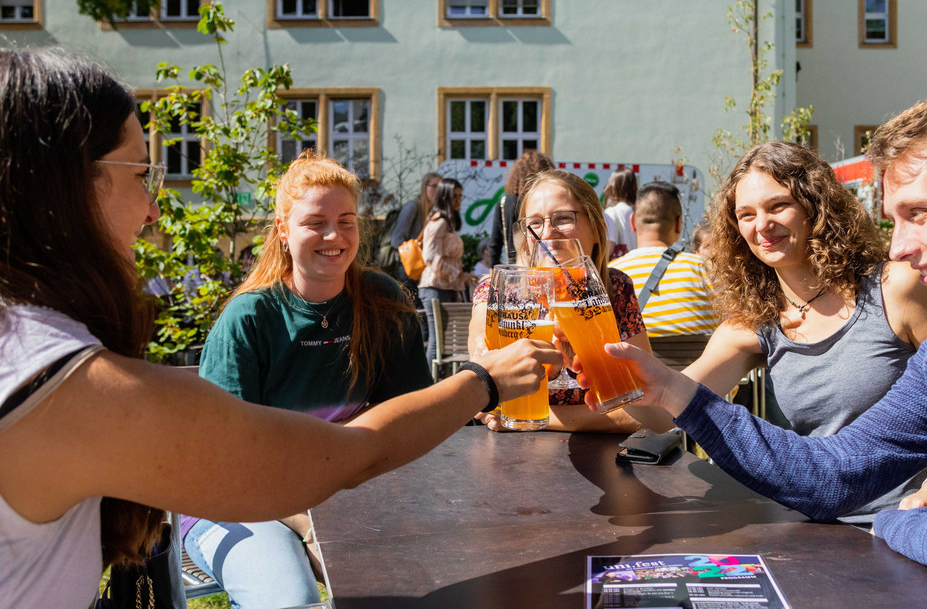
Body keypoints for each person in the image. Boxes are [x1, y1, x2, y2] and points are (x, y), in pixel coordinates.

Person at [0, 48, 559, 608]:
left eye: (345, 222)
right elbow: (331, 456)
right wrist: (481, 381)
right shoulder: (67, 385)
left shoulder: (35, 354)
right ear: (65, 185)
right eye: (144, 172)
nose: (153, 210)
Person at [593, 90, 927, 606]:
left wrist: (896, 522)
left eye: (920, 213)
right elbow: (831, 475)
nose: (898, 246)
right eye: (896, 219)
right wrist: (672, 390)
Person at [627, 142, 927, 522]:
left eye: (778, 206)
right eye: (745, 214)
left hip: (914, 522)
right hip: (818, 525)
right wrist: (606, 370)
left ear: (816, 206)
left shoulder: (897, 289)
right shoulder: (750, 326)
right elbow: (663, 414)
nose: (761, 225)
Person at [181, 151, 434, 608]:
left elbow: (411, 422)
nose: (334, 236)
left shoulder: (383, 301)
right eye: (315, 222)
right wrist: (310, 523)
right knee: (290, 601)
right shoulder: (250, 316)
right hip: (233, 501)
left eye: (346, 220)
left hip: (344, 492)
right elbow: (226, 461)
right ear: (283, 229)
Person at [469, 169, 653, 433]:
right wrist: (481, 356)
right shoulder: (499, 290)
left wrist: (536, 421)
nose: (547, 233)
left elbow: (643, 409)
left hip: (603, 460)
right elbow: (479, 347)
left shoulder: (614, 289)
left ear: (596, 228)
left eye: (563, 218)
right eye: (535, 223)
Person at [608, 181, 719, 338]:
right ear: (679, 224)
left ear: (632, 223)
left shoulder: (610, 275)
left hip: (632, 363)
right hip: (695, 362)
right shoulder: (704, 269)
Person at [419, 178, 476, 366]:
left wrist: (462, 276)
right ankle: (426, 389)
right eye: (454, 197)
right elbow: (430, 256)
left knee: (448, 342)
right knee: (438, 342)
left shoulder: (447, 222)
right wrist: (458, 275)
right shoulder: (439, 222)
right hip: (435, 287)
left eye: (460, 196)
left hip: (447, 287)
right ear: (445, 197)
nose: (459, 201)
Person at [487, 149, 554, 265]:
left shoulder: (504, 202)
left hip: (516, 268)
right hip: (543, 265)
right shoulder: (543, 201)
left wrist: (493, 270)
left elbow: (495, 244)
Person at [391, 171, 441, 325]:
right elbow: (396, 239)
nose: (438, 190)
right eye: (434, 186)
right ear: (424, 187)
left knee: (425, 319)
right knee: (411, 316)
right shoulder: (413, 207)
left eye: (441, 187)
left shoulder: (436, 212)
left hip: (426, 272)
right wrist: (416, 254)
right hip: (409, 270)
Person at [602, 167, 638, 260]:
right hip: (638, 264)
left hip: (620, 268)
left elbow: (609, 247)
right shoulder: (639, 210)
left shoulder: (610, 213)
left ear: (612, 187)